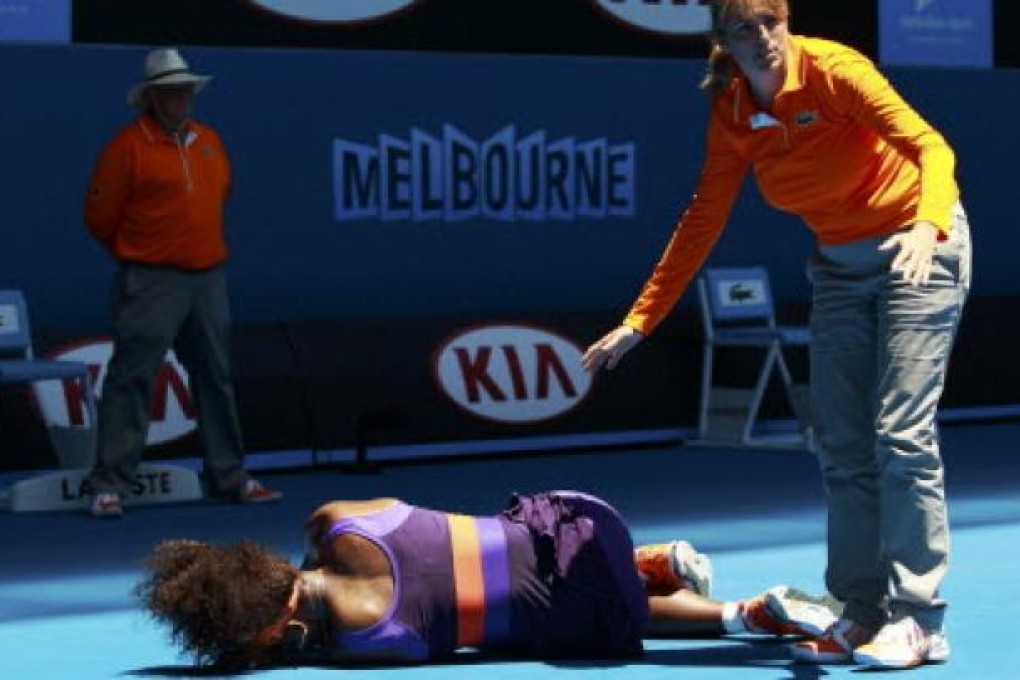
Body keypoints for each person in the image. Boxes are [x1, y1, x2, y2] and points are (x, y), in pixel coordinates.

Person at [581, 0, 970, 670]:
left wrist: (927, 224)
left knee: (901, 434)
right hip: (842, 270)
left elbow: (931, 146)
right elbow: (702, 217)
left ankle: (920, 620)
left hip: (920, 248)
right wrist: (640, 319)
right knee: (842, 443)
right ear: (723, 41)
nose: (762, 38)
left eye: (771, 22)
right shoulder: (734, 115)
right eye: (743, 28)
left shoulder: (837, 71)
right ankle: (862, 611)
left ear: (786, 22)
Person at [136, 490, 840, 670]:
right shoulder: (333, 522)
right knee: (571, 585)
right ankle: (646, 560)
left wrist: (270, 644)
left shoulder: (360, 641)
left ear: (278, 627)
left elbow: (298, 630)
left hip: (570, 604)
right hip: (574, 516)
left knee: (598, 624)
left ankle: (746, 614)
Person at [82, 48, 281, 518]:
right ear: (152, 98)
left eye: (187, 89)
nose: (182, 98)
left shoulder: (209, 141)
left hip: (208, 278)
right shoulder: (126, 148)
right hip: (150, 281)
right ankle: (110, 484)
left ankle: (228, 476)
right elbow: (99, 217)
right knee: (132, 380)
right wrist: (140, 256)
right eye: (172, 91)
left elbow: (219, 195)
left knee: (216, 377)